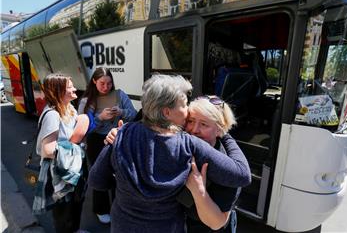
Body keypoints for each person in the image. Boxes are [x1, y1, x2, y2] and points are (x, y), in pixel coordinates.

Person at [88, 74, 251, 233]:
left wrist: (123, 179)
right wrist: (225, 134)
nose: (188, 111)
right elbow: (242, 174)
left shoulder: (122, 134)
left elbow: (96, 181)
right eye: (185, 104)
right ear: (167, 112)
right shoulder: (189, 145)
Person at [78, 67, 137, 224]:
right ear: (94, 82)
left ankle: (120, 207)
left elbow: (134, 115)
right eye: (102, 83)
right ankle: (101, 209)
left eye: (109, 83)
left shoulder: (120, 95)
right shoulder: (87, 101)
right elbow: (82, 128)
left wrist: (121, 112)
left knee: (120, 175)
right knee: (99, 174)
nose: (106, 87)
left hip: (118, 138)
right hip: (96, 141)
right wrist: (99, 118)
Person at [182, 95, 245, 232]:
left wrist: (199, 192)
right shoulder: (184, 145)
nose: (194, 130)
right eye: (191, 121)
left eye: (204, 124)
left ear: (219, 130)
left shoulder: (227, 166)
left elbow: (217, 222)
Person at [35, 73, 88, 233]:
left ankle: (75, 230)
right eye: (69, 86)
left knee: (75, 204)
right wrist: (76, 143)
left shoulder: (69, 108)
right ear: (58, 91)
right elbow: (48, 150)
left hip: (72, 167)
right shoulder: (52, 115)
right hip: (60, 171)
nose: (74, 88)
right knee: (64, 212)